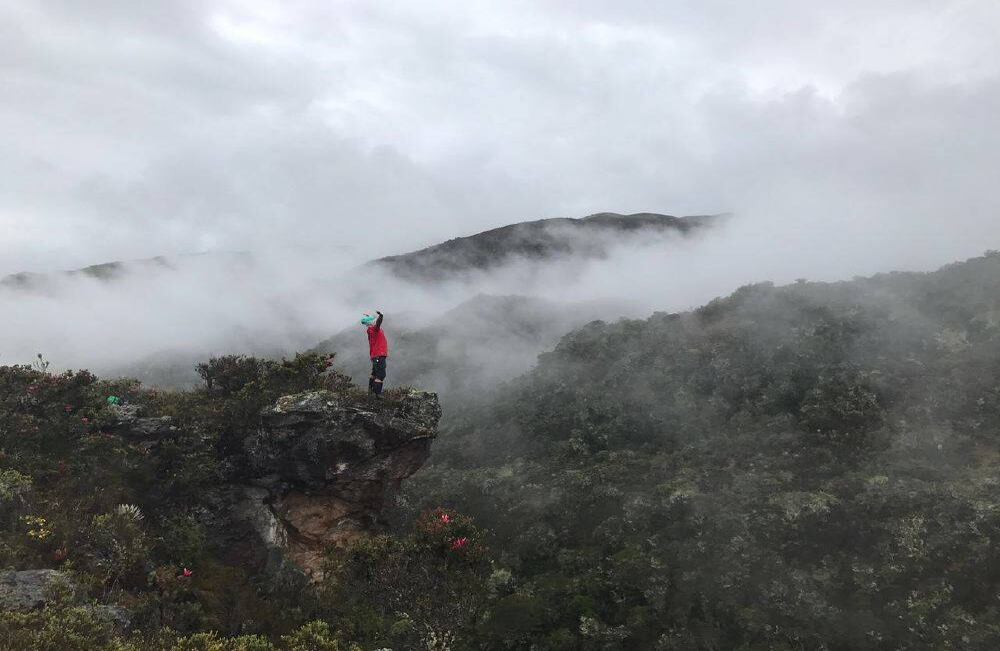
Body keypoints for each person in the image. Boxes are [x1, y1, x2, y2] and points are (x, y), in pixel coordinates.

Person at [361, 310, 388, 395]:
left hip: (375, 355)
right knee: (381, 375)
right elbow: (378, 323)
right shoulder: (374, 329)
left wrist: (368, 317)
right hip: (379, 355)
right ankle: (377, 394)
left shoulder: (370, 330)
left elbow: (373, 323)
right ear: (372, 322)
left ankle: (370, 392)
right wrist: (381, 316)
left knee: (374, 373)